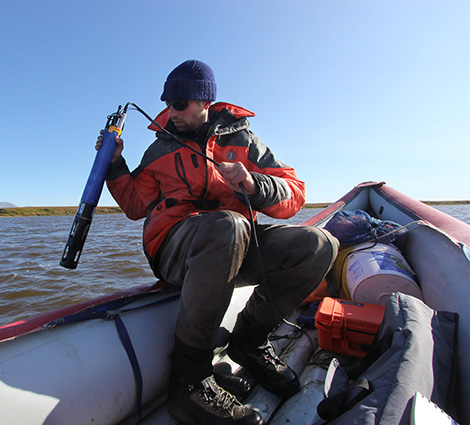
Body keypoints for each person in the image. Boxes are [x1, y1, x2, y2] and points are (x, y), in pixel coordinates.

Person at [96, 60, 339, 425]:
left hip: (237, 242)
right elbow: (134, 205)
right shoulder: (158, 150)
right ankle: (189, 377)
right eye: (167, 103)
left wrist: (255, 184)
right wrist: (115, 165)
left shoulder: (244, 141)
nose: (171, 112)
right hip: (177, 248)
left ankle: (250, 342)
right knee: (226, 225)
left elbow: (294, 194)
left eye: (180, 104)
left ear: (204, 101)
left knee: (318, 243)